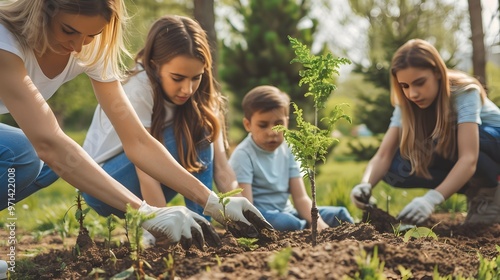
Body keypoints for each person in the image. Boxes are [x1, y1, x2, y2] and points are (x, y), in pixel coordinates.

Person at [0, 0, 270, 249]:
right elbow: (49, 142)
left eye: (91, 35)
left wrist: (213, 202)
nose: (78, 47)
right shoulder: (6, 43)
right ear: (42, 9)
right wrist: (145, 212)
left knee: (41, 161)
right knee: (27, 152)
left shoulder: (92, 48)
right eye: (68, 30)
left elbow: (137, 140)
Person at [82, 15, 245, 226]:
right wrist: (163, 226)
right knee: (199, 131)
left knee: (202, 126)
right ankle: (200, 227)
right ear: (155, 66)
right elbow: (146, 168)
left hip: (149, 181)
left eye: (196, 77)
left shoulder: (203, 98)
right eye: (177, 78)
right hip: (104, 186)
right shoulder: (139, 87)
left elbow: (221, 168)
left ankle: (201, 225)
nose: (187, 89)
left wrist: (243, 211)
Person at [350, 39, 500, 225]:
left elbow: (469, 158)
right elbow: (383, 155)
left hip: (492, 144)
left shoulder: (463, 91)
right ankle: (473, 188)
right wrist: (365, 184)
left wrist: (431, 199)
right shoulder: (406, 104)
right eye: (405, 86)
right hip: (455, 146)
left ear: (437, 72)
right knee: (395, 166)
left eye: (419, 83)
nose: (412, 94)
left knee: (446, 136)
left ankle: (489, 190)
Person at [229, 85, 354, 232]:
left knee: (339, 214)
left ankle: (355, 239)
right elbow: (248, 209)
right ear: (247, 124)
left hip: (290, 212)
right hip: (263, 216)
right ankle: (306, 232)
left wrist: (318, 222)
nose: (272, 132)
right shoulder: (243, 155)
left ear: (287, 122)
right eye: (263, 125)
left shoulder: (289, 149)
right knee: (288, 223)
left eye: (278, 124)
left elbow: (300, 198)